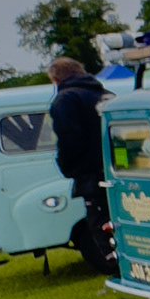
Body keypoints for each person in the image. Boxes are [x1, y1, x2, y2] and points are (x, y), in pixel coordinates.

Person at [47, 57, 117, 274]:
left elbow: (69, 139)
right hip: (120, 169)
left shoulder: (66, 100)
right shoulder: (106, 95)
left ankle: (118, 270)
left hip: (91, 173)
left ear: (55, 79)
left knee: (102, 225)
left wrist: (66, 166)